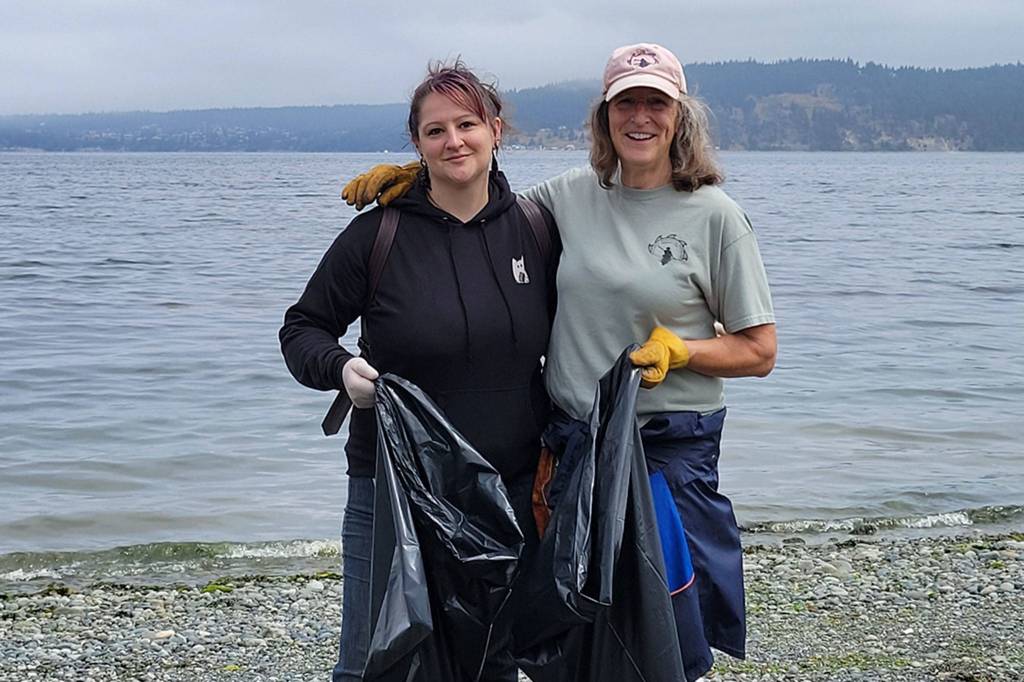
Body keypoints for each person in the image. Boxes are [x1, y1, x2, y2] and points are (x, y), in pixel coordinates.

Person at [342, 43, 777, 681]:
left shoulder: (716, 216)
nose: (640, 118)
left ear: (680, 116)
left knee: (657, 633)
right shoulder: (571, 196)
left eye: (656, 103)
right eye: (624, 103)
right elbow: (481, 198)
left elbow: (759, 349)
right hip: (571, 450)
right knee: (568, 632)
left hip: (664, 452)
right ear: (603, 118)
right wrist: (415, 178)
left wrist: (684, 349)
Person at [280, 61, 559, 682]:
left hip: (506, 493)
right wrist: (341, 368)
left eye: (467, 124)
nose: (453, 141)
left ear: (495, 131)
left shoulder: (537, 230)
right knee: (375, 661)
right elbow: (301, 330)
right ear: (416, 144)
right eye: (435, 131)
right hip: (392, 489)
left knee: (490, 662)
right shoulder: (376, 237)